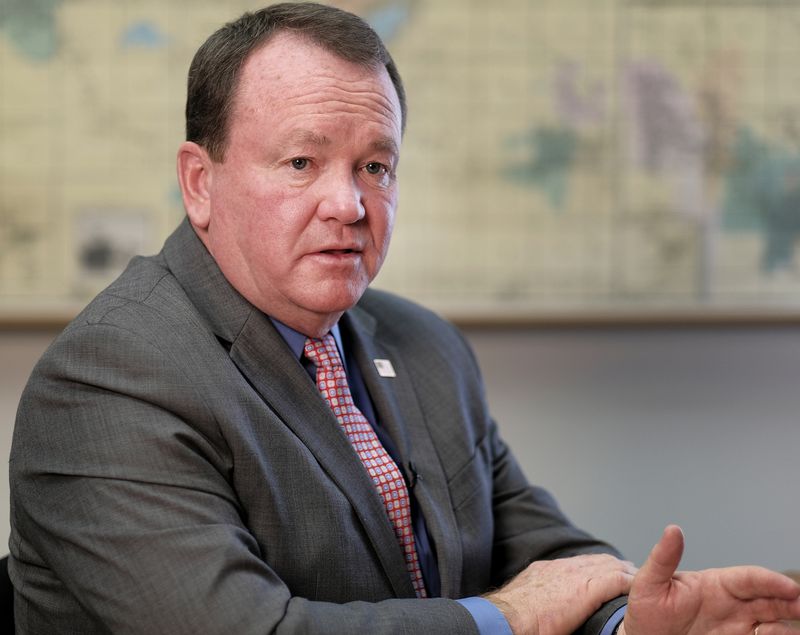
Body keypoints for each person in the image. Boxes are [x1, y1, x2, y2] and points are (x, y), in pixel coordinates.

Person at [8, 3, 800, 634]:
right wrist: (508, 617)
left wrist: (633, 621)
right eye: (301, 162)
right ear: (199, 182)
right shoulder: (111, 377)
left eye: (375, 166)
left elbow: (546, 553)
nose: (349, 204)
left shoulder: (426, 345)